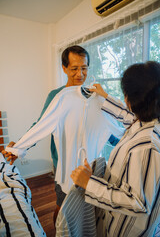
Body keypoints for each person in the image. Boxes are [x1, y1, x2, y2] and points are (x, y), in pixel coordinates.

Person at [2, 45, 121, 225]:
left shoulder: (97, 97)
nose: (80, 74)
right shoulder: (57, 96)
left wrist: (127, 143)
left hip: (91, 166)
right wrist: (19, 147)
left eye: (84, 68)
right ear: (64, 68)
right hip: (64, 166)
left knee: (89, 209)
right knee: (63, 207)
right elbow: (41, 125)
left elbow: (110, 129)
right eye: (74, 68)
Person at [71, 61, 160, 236]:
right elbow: (126, 115)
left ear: (129, 99)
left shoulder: (146, 146)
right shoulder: (148, 122)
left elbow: (138, 203)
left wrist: (89, 184)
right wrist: (104, 96)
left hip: (127, 229)